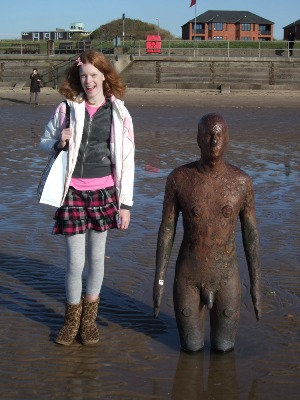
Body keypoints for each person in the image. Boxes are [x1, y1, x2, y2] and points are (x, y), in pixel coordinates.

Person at [39, 50, 135, 346]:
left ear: (105, 76)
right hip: (73, 194)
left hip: (106, 193)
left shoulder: (120, 113)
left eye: (94, 75)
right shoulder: (65, 109)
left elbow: (128, 160)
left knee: (96, 259)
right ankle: (71, 322)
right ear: (77, 78)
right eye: (84, 76)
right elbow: (43, 142)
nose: (89, 81)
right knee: (74, 262)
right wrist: (58, 142)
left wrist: (125, 204)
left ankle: (89, 322)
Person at [153, 113, 262, 353]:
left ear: (227, 139)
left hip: (226, 279)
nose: (213, 141)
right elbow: (166, 230)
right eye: (208, 135)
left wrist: (255, 284)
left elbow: (251, 235)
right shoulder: (179, 179)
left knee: (225, 350)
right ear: (198, 139)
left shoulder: (241, 182)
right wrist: (159, 281)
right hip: (188, 279)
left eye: (219, 136)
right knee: (190, 350)